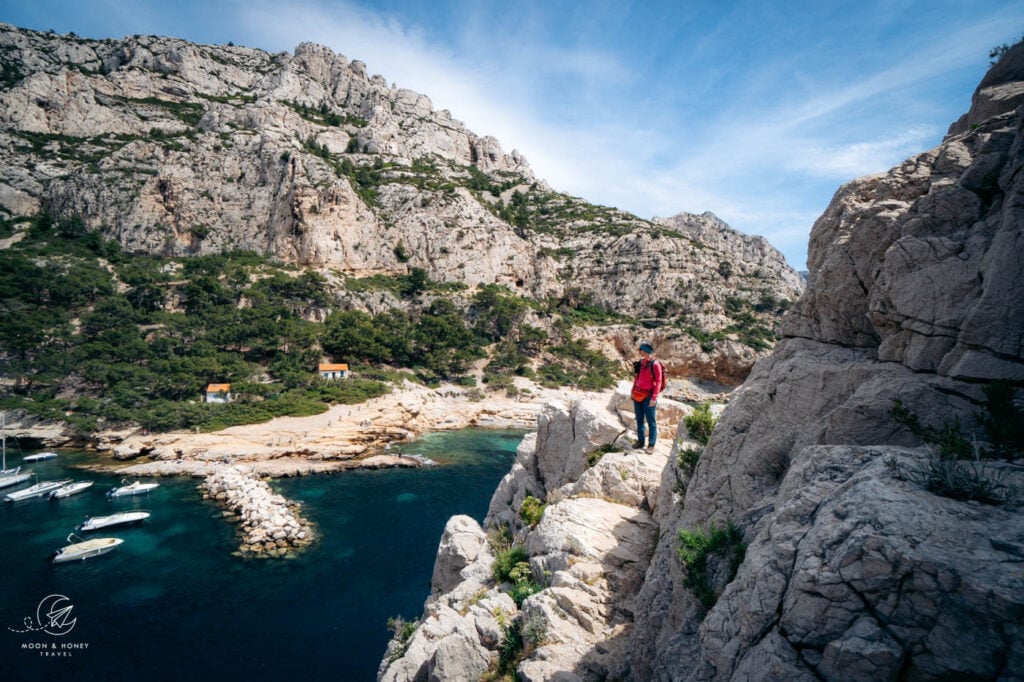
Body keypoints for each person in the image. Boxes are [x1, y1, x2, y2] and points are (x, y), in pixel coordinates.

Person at [631, 341, 663, 450]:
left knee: (651, 421)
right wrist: (632, 391)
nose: (639, 351)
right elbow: (637, 378)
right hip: (638, 394)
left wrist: (654, 398)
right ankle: (640, 441)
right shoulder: (640, 362)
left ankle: (651, 444)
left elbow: (659, 381)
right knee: (639, 419)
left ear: (645, 351)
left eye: (640, 349)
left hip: (649, 396)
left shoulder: (655, 364)